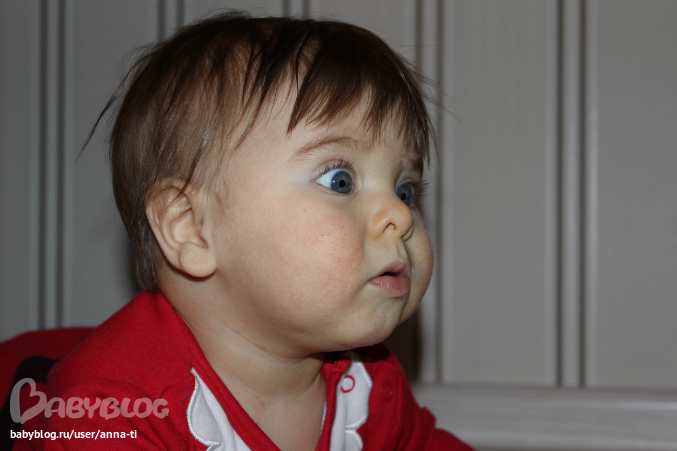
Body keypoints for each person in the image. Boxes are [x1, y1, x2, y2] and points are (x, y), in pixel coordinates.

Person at [30, 12, 473, 450]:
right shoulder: (113, 410)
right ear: (190, 227)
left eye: (406, 190)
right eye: (340, 180)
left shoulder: (370, 382)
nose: (400, 214)